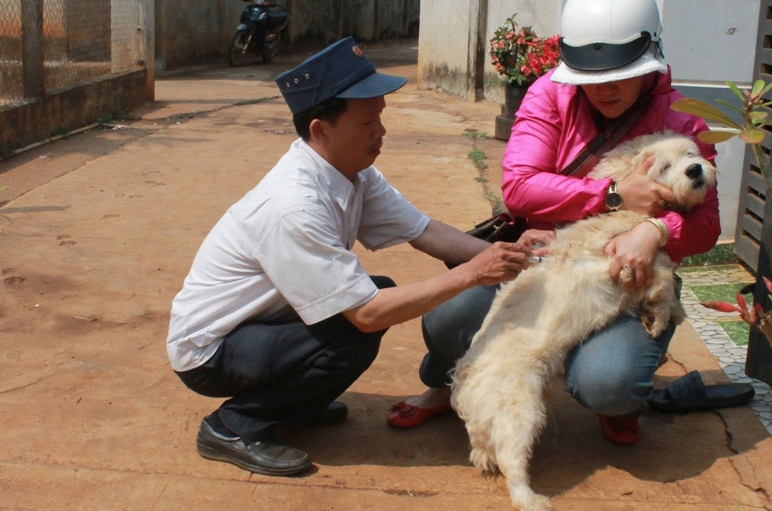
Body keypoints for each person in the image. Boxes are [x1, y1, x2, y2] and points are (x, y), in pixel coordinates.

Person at [388, 0, 753, 444]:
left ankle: (617, 391)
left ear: (650, 60)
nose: (604, 89)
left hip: (624, 278)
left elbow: (706, 225)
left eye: (620, 75)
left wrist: (653, 233)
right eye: (591, 78)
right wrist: (612, 196)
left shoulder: (681, 120)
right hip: (543, 259)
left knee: (609, 384)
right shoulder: (550, 94)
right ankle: (445, 384)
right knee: (447, 320)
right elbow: (520, 188)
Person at [166, 37, 541, 476]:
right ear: (320, 130)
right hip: (212, 350)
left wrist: (513, 256)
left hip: (262, 324)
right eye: (367, 121)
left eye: (381, 116)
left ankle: (293, 404)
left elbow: (424, 232)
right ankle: (234, 425)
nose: (380, 131)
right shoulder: (292, 205)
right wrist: (471, 276)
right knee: (359, 327)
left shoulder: (354, 173)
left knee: (375, 293)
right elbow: (365, 315)